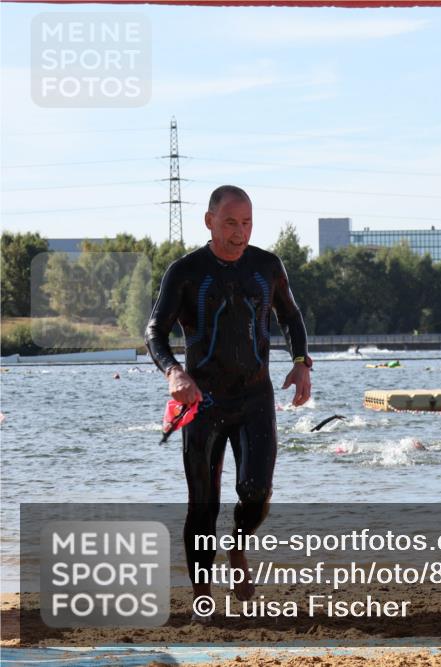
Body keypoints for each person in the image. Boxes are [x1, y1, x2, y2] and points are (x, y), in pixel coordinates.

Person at [145, 185, 312, 619]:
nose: (240, 234)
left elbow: (290, 316)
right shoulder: (185, 272)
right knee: (203, 503)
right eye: (230, 223)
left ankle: (237, 546)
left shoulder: (266, 266)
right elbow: (154, 332)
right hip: (204, 401)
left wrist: (300, 362)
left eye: (248, 223)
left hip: (255, 397)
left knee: (256, 494)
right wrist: (173, 371)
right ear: (209, 222)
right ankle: (203, 593)